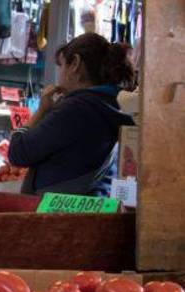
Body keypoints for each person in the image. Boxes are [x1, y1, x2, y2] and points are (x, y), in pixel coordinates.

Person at [8, 33, 135, 196]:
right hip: (93, 205)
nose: (59, 74)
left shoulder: (76, 109)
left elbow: (18, 153)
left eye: (61, 65)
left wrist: (41, 111)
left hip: (56, 208)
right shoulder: (113, 106)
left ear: (75, 63)